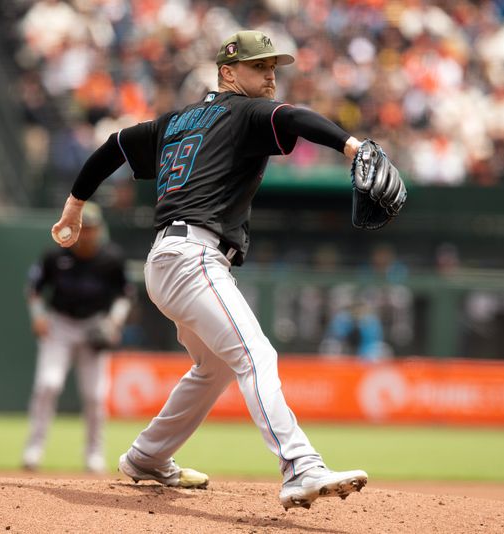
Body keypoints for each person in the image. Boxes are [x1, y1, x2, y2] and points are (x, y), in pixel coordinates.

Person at [50, 30, 401, 509]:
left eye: (273, 67)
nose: (270, 75)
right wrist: (353, 146)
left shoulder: (175, 122)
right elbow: (295, 118)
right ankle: (300, 466)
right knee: (256, 355)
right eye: (260, 67)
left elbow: (113, 146)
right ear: (228, 73)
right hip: (192, 257)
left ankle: (148, 457)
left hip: (169, 260)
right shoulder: (245, 110)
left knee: (213, 366)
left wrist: (73, 205)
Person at [22, 202, 131, 473]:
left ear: (100, 230)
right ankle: (33, 449)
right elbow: (34, 288)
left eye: (93, 229)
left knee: (95, 395)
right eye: (84, 229)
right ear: (74, 230)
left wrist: (115, 321)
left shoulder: (111, 258)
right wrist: (38, 315)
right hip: (60, 325)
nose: (88, 234)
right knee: (48, 385)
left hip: (94, 327)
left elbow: (125, 295)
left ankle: (94, 454)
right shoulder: (55, 256)